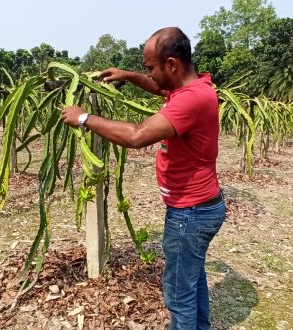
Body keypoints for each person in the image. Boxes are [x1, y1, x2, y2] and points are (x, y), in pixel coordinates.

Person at [61, 27, 225, 330]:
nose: (147, 74)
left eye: (150, 68)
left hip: (190, 214)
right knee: (192, 280)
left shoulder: (190, 100)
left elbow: (136, 136)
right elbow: (158, 87)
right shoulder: (194, 86)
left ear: (172, 65)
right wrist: (128, 75)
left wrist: (84, 118)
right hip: (201, 207)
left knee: (179, 295)